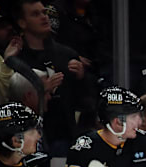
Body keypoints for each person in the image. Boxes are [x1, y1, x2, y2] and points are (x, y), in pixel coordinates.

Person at [13, 0, 90, 156]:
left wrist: (82, 77)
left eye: (44, 13)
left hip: (65, 136)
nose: (44, 17)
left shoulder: (67, 55)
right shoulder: (16, 58)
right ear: (22, 22)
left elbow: (85, 100)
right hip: (27, 139)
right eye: (35, 14)